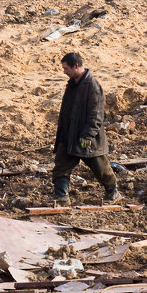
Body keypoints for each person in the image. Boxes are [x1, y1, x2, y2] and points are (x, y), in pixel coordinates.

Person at [52, 52, 119, 205]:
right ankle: (61, 196)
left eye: (66, 68)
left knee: (100, 168)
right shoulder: (72, 84)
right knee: (61, 165)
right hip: (69, 136)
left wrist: (87, 136)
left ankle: (113, 191)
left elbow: (96, 116)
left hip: (86, 138)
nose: (64, 72)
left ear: (76, 66)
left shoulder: (92, 86)